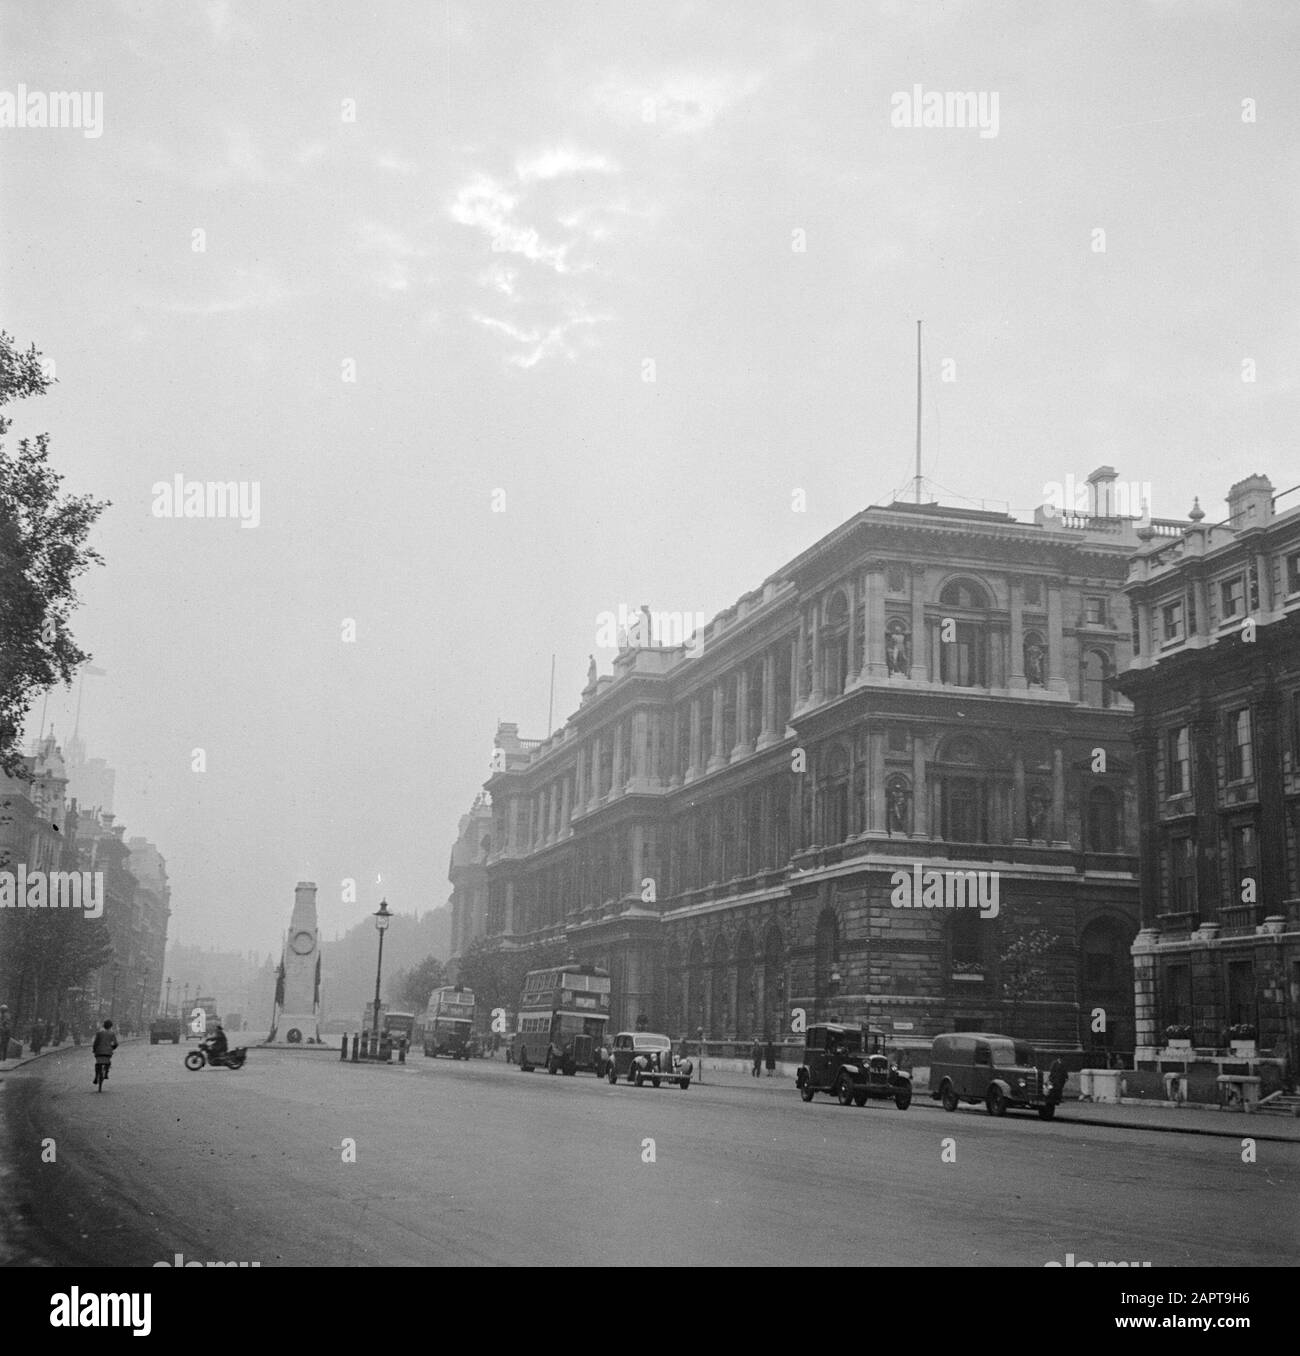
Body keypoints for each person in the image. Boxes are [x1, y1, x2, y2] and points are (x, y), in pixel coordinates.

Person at [92, 1019, 118, 1083]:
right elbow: (115, 1043)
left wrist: (94, 1049)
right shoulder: (112, 1033)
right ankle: (106, 1072)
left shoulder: (99, 1033)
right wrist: (112, 1048)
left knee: (98, 1063)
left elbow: (95, 1043)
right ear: (110, 1026)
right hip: (108, 1052)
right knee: (108, 1062)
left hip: (99, 1052)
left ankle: (96, 1076)